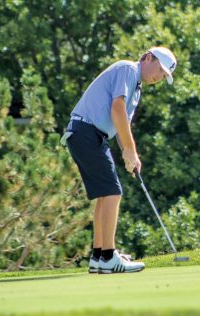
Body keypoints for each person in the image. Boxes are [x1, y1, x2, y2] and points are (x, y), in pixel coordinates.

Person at [61, 47, 177, 274]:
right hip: (85, 130)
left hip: (92, 135)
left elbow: (121, 123)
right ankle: (108, 256)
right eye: (160, 70)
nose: (159, 77)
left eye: (164, 76)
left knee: (106, 195)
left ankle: (98, 256)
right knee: (113, 192)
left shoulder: (136, 90)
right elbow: (117, 109)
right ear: (148, 57)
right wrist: (130, 149)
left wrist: (130, 154)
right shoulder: (127, 69)